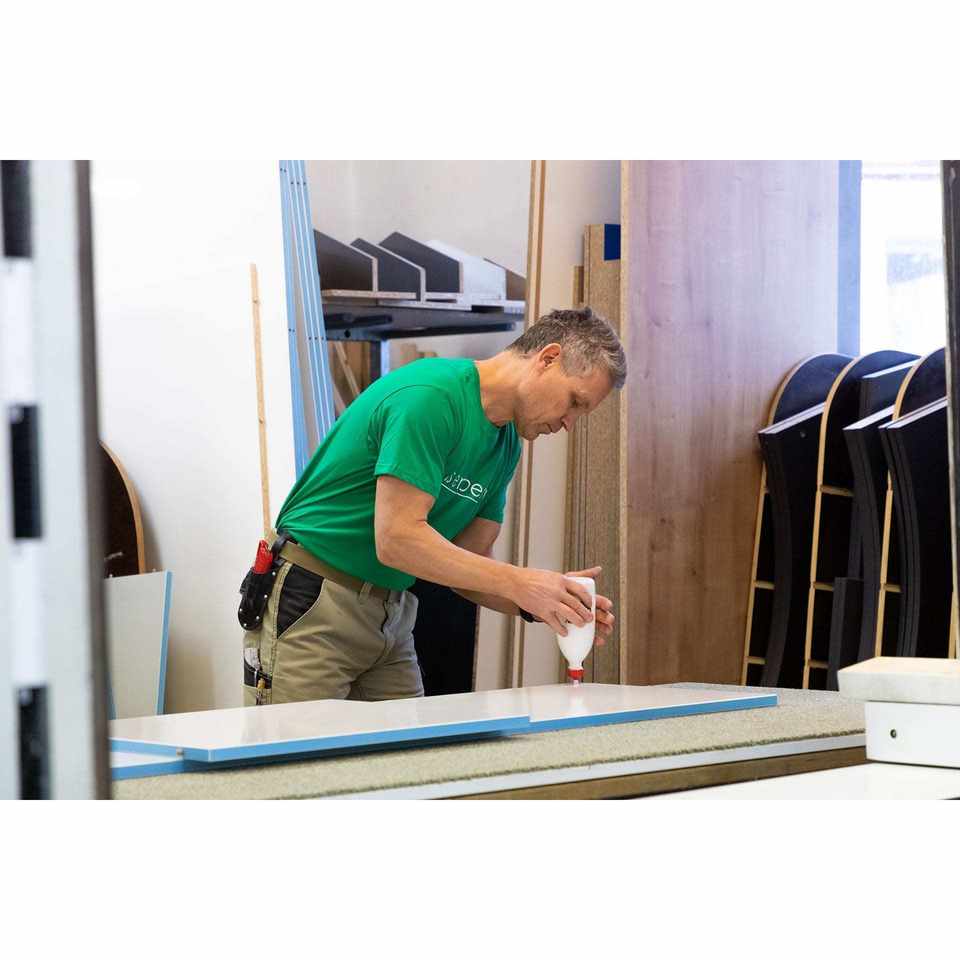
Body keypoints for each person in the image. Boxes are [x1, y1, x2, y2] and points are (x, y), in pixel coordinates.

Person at [240, 307, 627, 705]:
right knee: (303, 746)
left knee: (414, 746)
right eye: (574, 402)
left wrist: (547, 601)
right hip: (317, 603)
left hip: (391, 614)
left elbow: (470, 563)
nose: (568, 424)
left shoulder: (505, 442)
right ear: (548, 358)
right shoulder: (431, 398)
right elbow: (396, 539)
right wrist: (522, 583)